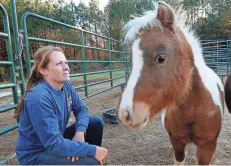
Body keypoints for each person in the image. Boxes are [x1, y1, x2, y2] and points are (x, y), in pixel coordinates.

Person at [14, 46, 108, 165]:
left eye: (66, 63)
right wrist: (90, 150)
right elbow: (53, 143)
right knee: (92, 160)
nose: (66, 68)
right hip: (36, 155)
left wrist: (80, 133)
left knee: (95, 123)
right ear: (43, 70)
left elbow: (81, 109)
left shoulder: (66, 86)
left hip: (55, 142)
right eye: (59, 64)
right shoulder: (39, 97)